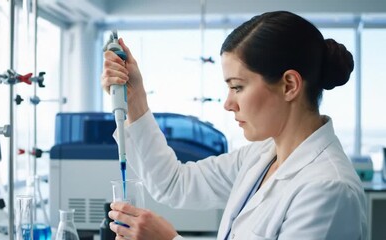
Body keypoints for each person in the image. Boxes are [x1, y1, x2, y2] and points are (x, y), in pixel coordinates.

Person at [101, 10, 367, 240]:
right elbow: (173, 183)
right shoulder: (261, 156)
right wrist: (135, 99)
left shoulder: (329, 189)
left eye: (237, 87)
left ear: (289, 85)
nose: (228, 103)